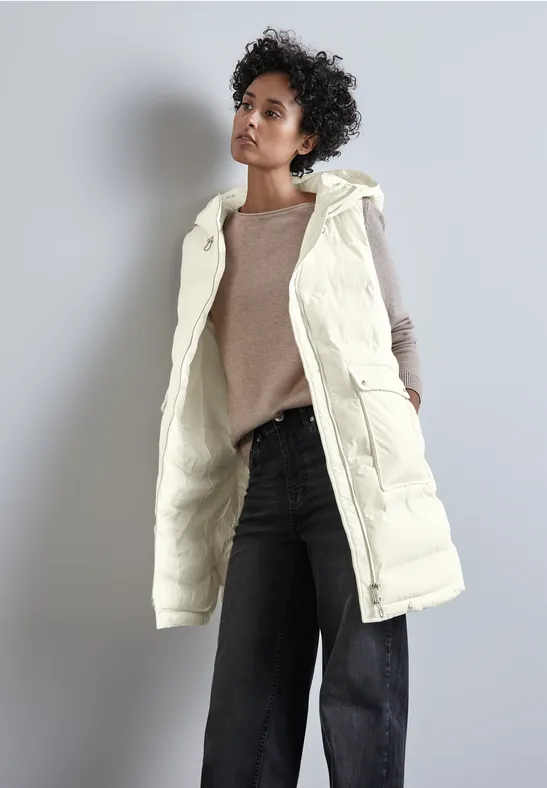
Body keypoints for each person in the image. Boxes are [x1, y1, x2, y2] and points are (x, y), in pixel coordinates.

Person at [151, 27, 465, 788]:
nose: (249, 120)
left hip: (345, 460)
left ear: (306, 137)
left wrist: (397, 416)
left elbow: (397, 328)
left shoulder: (344, 215)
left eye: (273, 111)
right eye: (245, 103)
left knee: (360, 691)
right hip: (263, 473)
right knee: (246, 703)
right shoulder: (208, 239)